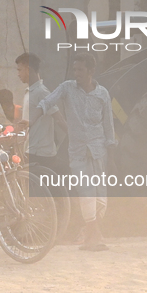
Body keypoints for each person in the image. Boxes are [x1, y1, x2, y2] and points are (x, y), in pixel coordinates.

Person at [31, 52, 116, 251]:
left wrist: (111, 158)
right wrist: (29, 121)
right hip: (78, 153)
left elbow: (109, 128)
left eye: (80, 69)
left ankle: (91, 235)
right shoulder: (67, 88)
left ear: (91, 71)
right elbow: (46, 103)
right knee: (86, 192)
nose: (76, 73)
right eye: (74, 69)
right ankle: (94, 236)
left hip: (99, 152)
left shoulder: (102, 94)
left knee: (101, 197)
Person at [14, 52, 68, 175]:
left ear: (28, 70)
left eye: (20, 70)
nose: (18, 74)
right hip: (31, 150)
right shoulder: (29, 92)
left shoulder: (42, 92)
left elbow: (59, 118)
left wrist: (76, 139)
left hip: (41, 153)